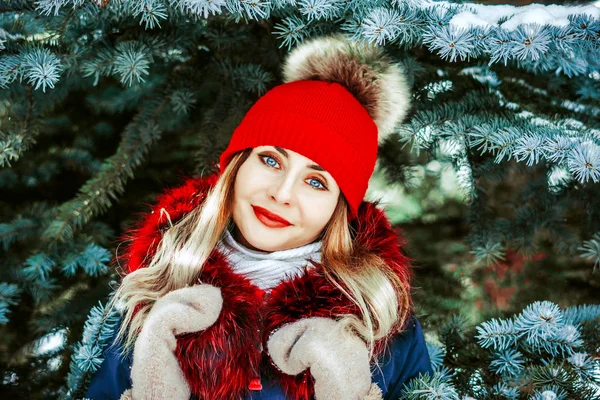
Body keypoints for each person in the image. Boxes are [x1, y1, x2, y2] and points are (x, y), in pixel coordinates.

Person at [85, 33, 432, 400]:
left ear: (338, 209)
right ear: (237, 165)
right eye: (271, 160)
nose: (281, 194)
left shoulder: (382, 325)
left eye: (316, 182)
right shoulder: (152, 293)